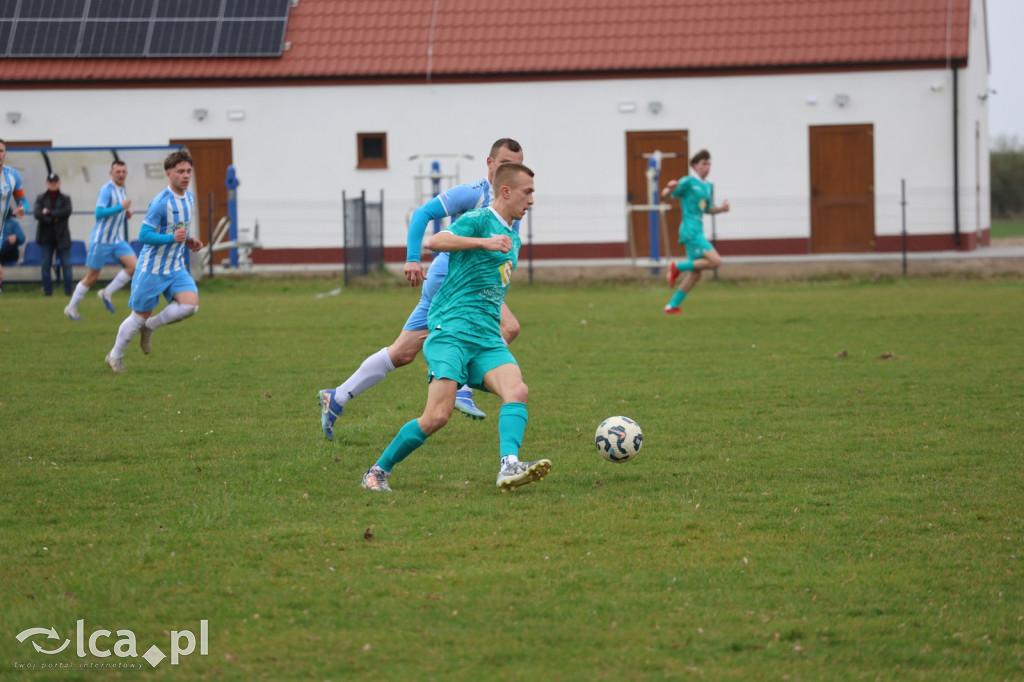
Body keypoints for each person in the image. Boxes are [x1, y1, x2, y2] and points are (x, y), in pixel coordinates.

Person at [361, 162, 550, 493]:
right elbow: (437, 240)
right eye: (527, 192)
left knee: (517, 391)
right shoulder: (479, 221)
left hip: (486, 337)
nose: (532, 200)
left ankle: (508, 466)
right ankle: (377, 472)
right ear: (506, 191)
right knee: (437, 417)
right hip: (450, 332)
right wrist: (483, 243)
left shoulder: (512, 236)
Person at [318, 138, 525, 440]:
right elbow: (422, 214)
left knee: (402, 353)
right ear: (490, 164)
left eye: (516, 165)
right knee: (509, 327)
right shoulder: (474, 194)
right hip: (450, 281)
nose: (511, 170)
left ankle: (336, 398)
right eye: (505, 163)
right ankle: (464, 390)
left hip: (459, 283)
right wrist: (413, 259)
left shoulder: (511, 202)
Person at [104, 149, 204, 373]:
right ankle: (115, 355)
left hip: (175, 265)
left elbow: (177, 230)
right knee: (138, 316)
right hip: (152, 268)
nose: (186, 175)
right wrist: (172, 238)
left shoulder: (189, 198)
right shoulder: (160, 203)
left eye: (189, 171)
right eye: (180, 171)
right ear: (169, 173)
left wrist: (187, 240)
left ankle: (150, 327)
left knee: (190, 306)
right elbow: (144, 236)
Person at [65, 160, 137, 320]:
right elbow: (99, 213)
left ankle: (107, 292)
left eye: (123, 171)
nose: (121, 174)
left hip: (116, 240)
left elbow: (116, 210)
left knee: (135, 267)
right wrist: (121, 207)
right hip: (101, 240)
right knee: (92, 277)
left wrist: (125, 214)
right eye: (117, 171)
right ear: (111, 173)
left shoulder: (121, 190)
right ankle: (71, 308)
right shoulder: (106, 189)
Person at [662, 149, 730, 314]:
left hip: (697, 230)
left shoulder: (708, 186)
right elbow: (664, 195)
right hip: (690, 231)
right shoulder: (687, 181)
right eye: (703, 164)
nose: (707, 167)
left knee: (695, 274)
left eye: (709, 164)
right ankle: (677, 267)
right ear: (695, 165)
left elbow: (707, 209)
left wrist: (721, 209)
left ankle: (671, 306)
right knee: (716, 261)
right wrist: (669, 188)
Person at [34, 172, 75, 297]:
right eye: (50, 182)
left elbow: (66, 211)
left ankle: (68, 292)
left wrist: (49, 212)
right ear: (47, 183)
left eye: (55, 182)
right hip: (46, 238)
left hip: (62, 237)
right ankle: (48, 292)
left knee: (66, 265)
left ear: (59, 183)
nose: (53, 184)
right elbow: (37, 214)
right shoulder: (40, 198)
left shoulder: (65, 198)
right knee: (45, 265)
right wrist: (54, 218)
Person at [1, 138, 30, 294]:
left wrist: (22, 209)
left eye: (1, 151)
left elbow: (23, 202)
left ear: (5, 153)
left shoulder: (12, 175)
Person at [0, 212, 27, 293]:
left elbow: (22, 238)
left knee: (8, 243)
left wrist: (15, 237)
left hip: (10, 253)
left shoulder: (12, 223)